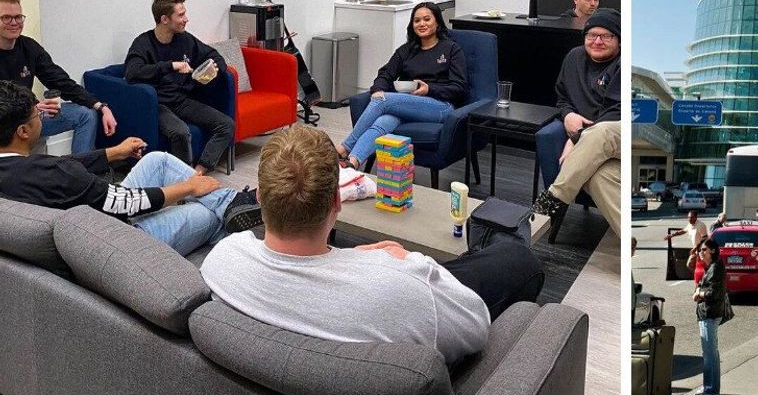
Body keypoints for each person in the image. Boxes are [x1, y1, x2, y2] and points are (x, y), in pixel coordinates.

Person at [200, 126, 544, 365]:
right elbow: (476, 327)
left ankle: (484, 249)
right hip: (406, 297)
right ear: (337, 201)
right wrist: (412, 265)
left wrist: (353, 258)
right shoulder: (401, 289)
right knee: (517, 259)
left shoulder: (223, 260)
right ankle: (497, 242)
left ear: (260, 197)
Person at [0, 81, 260, 255]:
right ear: (23, 131)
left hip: (93, 221)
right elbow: (125, 203)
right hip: (116, 240)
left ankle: (233, 203)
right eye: (37, 114)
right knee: (207, 211)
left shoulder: (23, 168)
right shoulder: (55, 175)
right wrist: (188, 186)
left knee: (157, 159)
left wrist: (113, 152)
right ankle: (228, 213)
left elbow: (63, 166)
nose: (41, 117)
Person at [337, 2, 466, 170]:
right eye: (417, 20)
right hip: (409, 104)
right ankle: (352, 163)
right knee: (384, 121)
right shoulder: (406, 50)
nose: (422, 24)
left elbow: (459, 87)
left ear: (437, 22)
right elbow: (385, 74)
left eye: (427, 19)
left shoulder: (451, 49)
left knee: (382, 101)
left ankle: (343, 148)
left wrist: (429, 89)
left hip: (441, 106)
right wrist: (378, 89)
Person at [530, 9, 621, 236]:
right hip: (593, 141)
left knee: (601, 132)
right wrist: (568, 114)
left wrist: (577, 138)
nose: (597, 41)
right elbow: (562, 97)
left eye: (606, 36)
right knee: (597, 178)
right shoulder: (574, 57)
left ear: (619, 40)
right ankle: (630, 241)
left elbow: (615, 111)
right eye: (591, 35)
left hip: (621, 132)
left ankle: (553, 200)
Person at [125, 0, 232, 175]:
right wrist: (171, 66)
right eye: (181, 15)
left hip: (182, 100)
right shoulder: (143, 44)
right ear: (165, 19)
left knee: (226, 125)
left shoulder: (185, 39)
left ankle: (196, 174)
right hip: (158, 104)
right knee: (181, 132)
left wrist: (214, 69)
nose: (186, 19)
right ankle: (181, 186)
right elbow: (132, 72)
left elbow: (214, 55)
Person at [0, 0, 118, 153]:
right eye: (6, 18)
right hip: (6, 122)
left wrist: (100, 106)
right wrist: (30, 109)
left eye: (18, 17)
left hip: (32, 114)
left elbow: (60, 81)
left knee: (86, 114)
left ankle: (81, 172)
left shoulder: (29, 47)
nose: (14, 23)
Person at [691, 238, 726, 395]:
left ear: (712, 250)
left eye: (704, 249)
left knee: (709, 353)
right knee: (712, 352)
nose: (701, 252)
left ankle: (710, 389)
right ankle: (710, 387)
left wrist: (699, 294)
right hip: (709, 313)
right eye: (700, 250)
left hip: (709, 313)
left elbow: (714, 293)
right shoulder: (711, 267)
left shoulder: (715, 268)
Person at [667, 210, 709, 277]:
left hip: (703, 250)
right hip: (696, 250)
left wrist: (695, 248)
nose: (689, 219)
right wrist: (672, 235)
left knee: (703, 265)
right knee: (689, 264)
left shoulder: (701, 225)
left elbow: (705, 238)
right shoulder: (690, 224)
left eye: (691, 217)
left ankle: (704, 277)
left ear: (696, 217)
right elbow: (683, 231)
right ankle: (701, 277)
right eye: (688, 217)